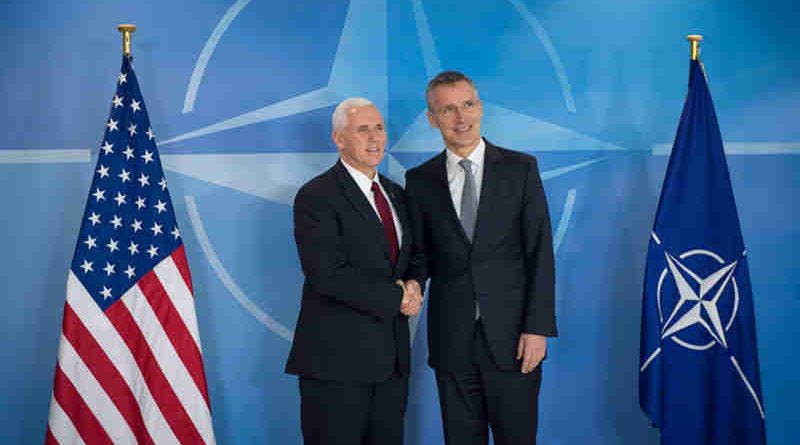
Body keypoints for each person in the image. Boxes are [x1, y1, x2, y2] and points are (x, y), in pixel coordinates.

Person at [404, 71, 557, 445]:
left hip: (514, 340)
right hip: (452, 341)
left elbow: (540, 250)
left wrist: (537, 328)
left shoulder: (520, 169)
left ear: (480, 107)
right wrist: (411, 282)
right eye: (449, 109)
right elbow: (421, 253)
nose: (461, 117)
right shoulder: (419, 180)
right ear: (432, 118)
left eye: (468, 105)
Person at [285, 97, 423, 445]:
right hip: (336, 365)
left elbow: (415, 255)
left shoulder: (396, 194)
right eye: (363, 129)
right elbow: (327, 273)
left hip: (391, 364)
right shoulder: (316, 195)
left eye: (379, 127)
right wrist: (398, 297)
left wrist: (415, 284)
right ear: (339, 139)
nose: (375, 137)